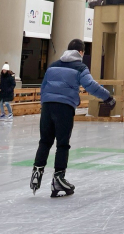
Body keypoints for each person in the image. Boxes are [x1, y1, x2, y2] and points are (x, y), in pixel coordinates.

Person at [30, 38, 116, 197]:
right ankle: (58, 179)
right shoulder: (80, 67)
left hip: (48, 106)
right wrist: (108, 97)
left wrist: (46, 103)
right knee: (62, 144)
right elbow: (91, 86)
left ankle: (37, 172)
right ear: (81, 52)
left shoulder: (53, 65)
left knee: (45, 141)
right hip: (64, 108)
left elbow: (43, 87)